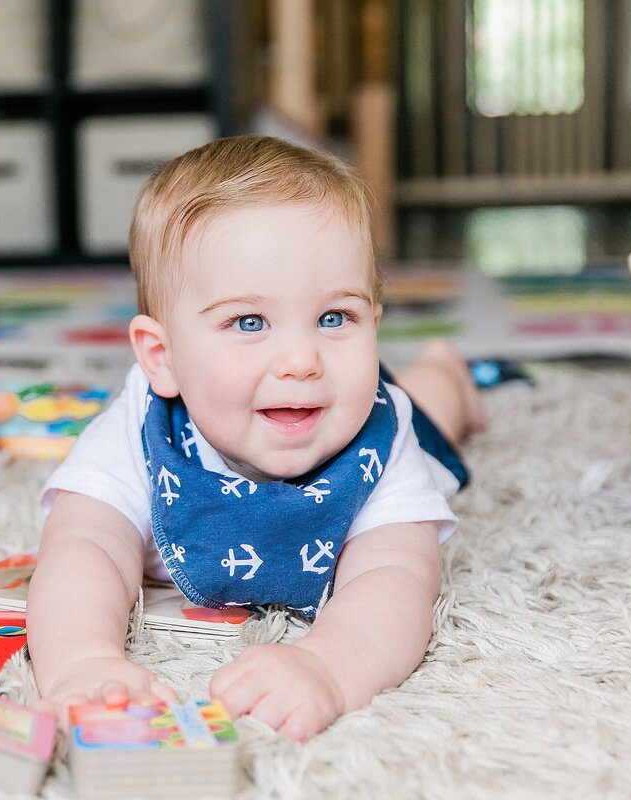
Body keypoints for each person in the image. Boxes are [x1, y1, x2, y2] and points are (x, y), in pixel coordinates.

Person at [26, 135, 486, 740]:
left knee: (430, 408)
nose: (301, 359)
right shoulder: (139, 434)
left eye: (334, 318)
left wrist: (328, 666)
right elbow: (82, 546)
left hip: (371, 415)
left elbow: (396, 577)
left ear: (372, 323)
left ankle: (446, 371)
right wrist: (83, 662)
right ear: (161, 358)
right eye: (249, 322)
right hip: (300, 408)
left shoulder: (377, 432)